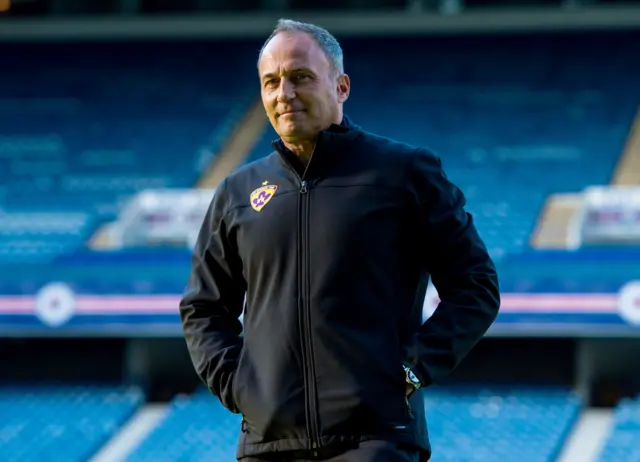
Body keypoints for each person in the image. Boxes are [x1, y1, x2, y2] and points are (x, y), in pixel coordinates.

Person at [180, 19, 500, 462]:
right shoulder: (238, 192)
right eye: (270, 82)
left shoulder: (404, 173)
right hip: (268, 443)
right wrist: (240, 387)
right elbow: (203, 307)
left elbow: (475, 286)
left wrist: (410, 369)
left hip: (377, 438)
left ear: (342, 86)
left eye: (300, 77)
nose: (284, 94)